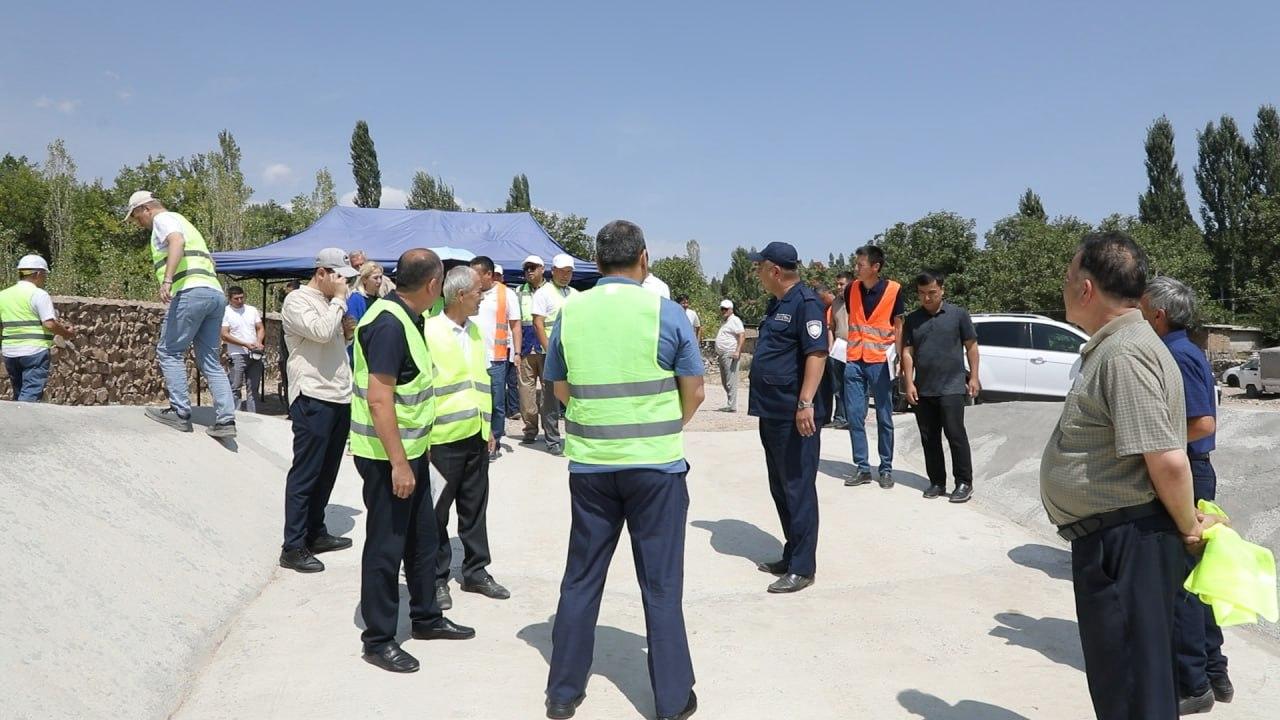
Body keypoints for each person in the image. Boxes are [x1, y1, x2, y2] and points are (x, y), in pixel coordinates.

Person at [1041, 232, 1213, 720]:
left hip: (1127, 542)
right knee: (1126, 681)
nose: (1064, 287)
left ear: (1087, 288)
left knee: (1133, 690)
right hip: (1117, 539)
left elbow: (1167, 457)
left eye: (1068, 277)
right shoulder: (1122, 346)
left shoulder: (1125, 354)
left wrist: (1188, 527)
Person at [543, 220, 702, 720]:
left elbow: (560, 387)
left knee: (582, 578)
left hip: (591, 468)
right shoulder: (665, 311)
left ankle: (563, 693)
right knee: (660, 586)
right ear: (644, 258)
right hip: (656, 469)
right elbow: (694, 391)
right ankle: (673, 700)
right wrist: (658, 427)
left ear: (597, 261)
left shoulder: (573, 312)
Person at [350, 248, 475, 674]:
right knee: (387, 547)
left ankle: (426, 618)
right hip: (388, 458)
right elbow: (380, 399)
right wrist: (399, 464)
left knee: (423, 539)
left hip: (413, 452)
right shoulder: (387, 324)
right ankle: (379, 640)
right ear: (433, 285)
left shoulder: (408, 317)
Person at [1141, 275, 1233, 713]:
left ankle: (1194, 684)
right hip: (1191, 471)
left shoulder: (1177, 355)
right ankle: (1215, 672)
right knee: (1198, 579)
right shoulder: (1179, 350)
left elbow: (1202, 423)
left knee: (1184, 586)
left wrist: (1151, 439)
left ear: (1158, 315)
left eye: (1141, 312)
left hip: (1188, 474)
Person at [425, 266, 511, 612]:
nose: (482, 296)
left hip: (475, 435)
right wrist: (424, 438)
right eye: (478, 292)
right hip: (441, 439)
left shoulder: (475, 332)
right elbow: (423, 389)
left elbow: (481, 382)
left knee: (474, 509)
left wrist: (488, 427)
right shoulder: (428, 331)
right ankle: (434, 578)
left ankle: (476, 570)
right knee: (435, 513)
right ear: (460, 295)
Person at [748, 242, 828, 594]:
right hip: (772, 411)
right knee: (780, 486)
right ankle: (792, 550)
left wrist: (805, 403)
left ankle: (803, 567)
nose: (757, 273)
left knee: (798, 486)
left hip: (795, 415)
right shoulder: (776, 303)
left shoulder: (805, 303)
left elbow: (817, 353)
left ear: (775, 271)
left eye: (759, 267)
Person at [126, 190, 236, 438]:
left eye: (136, 216)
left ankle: (180, 412)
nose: (138, 223)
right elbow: (212, 263)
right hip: (214, 294)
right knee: (209, 358)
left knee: (169, 350)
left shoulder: (163, 220)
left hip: (190, 291)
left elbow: (176, 241)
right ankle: (226, 420)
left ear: (146, 208)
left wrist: (167, 281)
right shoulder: (187, 223)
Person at [277, 249, 360, 574]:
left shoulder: (330, 303)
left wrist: (345, 321)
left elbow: (338, 341)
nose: (344, 284)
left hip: (338, 395)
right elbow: (321, 333)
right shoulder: (297, 301)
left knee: (327, 471)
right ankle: (293, 546)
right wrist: (340, 302)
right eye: (340, 277)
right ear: (322, 272)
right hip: (312, 395)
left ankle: (316, 531)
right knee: (306, 473)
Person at [900, 271, 979, 503]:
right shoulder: (913, 319)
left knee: (955, 435)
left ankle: (964, 482)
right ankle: (937, 481)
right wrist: (909, 382)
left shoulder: (958, 315)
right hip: (924, 388)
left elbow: (971, 347)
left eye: (932, 293)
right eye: (922, 293)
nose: (927, 298)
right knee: (929, 438)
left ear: (942, 290)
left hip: (952, 386)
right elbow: (907, 352)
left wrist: (973, 377)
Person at [843, 244, 904, 489]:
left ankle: (886, 468)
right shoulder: (851, 289)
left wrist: (899, 358)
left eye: (860, 264)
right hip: (854, 360)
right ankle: (862, 467)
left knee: (883, 416)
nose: (856, 268)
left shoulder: (894, 290)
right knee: (855, 415)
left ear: (875, 267)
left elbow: (898, 326)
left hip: (880, 361)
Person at [469, 256, 522, 462]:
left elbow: (515, 325)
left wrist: (516, 353)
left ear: (488, 274)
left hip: (496, 358)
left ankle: (495, 441)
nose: (471, 278)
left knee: (496, 403)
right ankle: (477, 441)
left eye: (476, 274)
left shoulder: (506, 294)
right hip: (471, 356)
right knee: (474, 400)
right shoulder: (469, 292)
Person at [1, 254, 74, 401]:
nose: (45, 279)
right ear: (38, 273)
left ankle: (18, 421)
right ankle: (25, 422)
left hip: (10, 351)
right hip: (35, 350)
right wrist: (67, 333)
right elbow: (49, 323)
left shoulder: (3, 295)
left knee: (19, 392)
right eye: (44, 275)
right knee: (30, 394)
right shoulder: (39, 295)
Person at [529, 253, 580, 455]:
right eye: (562, 272)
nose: (565, 276)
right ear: (553, 271)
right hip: (550, 353)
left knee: (573, 396)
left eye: (569, 272)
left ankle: (574, 435)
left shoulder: (576, 294)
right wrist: (550, 351)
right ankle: (552, 440)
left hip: (572, 354)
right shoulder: (544, 293)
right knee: (550, 397)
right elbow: (538, 323)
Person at [517, 256, 551, 445]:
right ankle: (530, 429)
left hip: (546, 347)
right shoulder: (518, 292)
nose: (529, 271)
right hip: (526, 348)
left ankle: (549, 429)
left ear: (542, 269)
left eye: (533, 267)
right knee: (526, 392)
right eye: (526, 268)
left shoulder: (551, 291)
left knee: (549, 392)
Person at [221, 285, 265, 413]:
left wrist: (258, 341)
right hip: (236, 354)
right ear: (230, 299)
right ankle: (236, 415)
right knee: (235, 387)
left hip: (254, 354)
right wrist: (244, 344)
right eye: (236, 299)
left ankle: (254, 415)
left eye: (242, 298)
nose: (240, 301)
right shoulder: (225, 312)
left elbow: (260, 328)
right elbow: (224, 334)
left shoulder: (252, 310)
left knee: (254, 388)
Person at [344, 261, 386, 362]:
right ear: (364, 279)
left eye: (381, 277)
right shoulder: (356, 299)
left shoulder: (380, 299)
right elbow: (352, 328)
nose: (379, 281)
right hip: (360, 353)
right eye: (375, 278)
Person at [495, 263, 522, 420]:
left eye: (499, 276)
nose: (496, 278)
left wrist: (516, 351)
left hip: (509, 347)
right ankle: (504, 411)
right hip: (498, 350)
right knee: (499, 385)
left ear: (503, 278)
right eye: (494, 275)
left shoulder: (509, 295)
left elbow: (515, 325)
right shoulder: (485, 296)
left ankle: (513, 409)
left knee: (511, 382)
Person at [827, 272, 852, 429]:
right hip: (838, 349)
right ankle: (839, 417)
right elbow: (831, 327)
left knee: (852, 385)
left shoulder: (859, 300)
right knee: (837, 386)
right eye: (837, 284)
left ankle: (853, 418)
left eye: (841, 284)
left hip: (854, 349)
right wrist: (830, 347)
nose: (838, 287)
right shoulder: (835, 303)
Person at [714, 300, 745, 412]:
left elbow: (741, 335)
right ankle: (730, 403)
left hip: (730, 353)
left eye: (726, 309)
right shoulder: (725, 322)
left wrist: (737, 351)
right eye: (722, 309)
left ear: (731, 309)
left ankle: (732, 405)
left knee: (730, 380)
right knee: (725, 380)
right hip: (723, 354)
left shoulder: (735, 320)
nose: (723, 311)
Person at [277, 279, 300, 409]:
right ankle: (290, 408)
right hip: (286, 355)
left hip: (298, 355)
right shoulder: (286, 314)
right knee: (288, 382)